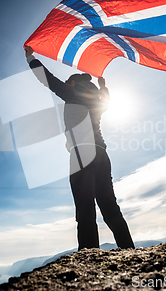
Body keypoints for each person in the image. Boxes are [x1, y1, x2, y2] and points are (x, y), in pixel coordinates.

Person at [24, 45, 135, 250]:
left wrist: (31, 59)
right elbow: (108, 102)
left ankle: (89, 257)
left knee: (85, 209)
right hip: (101, 155)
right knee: (110, 206)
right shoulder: (97, 102)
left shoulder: (72, 93)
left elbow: (47, 79)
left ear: (73, 82)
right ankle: (128, 249)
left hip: (82, 154)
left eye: (69, 83)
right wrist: (103, 87)